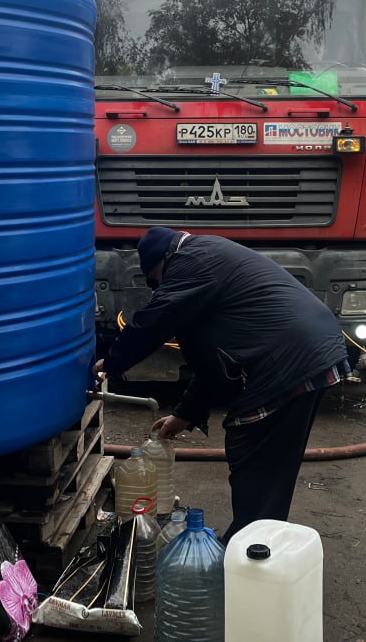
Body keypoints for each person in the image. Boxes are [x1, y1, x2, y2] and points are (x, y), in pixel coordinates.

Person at [94, 227, 348, 542]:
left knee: (252, 448)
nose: (159, 287)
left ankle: (250, 546)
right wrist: (185, 414)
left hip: (292, 354)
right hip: (312, 351)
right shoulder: (205, 259)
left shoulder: (190, 262)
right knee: (272, 460)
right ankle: (256, 540)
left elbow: (154, 321)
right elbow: (210, 361)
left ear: (163, 261)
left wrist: (112, 361)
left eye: (157, 280)